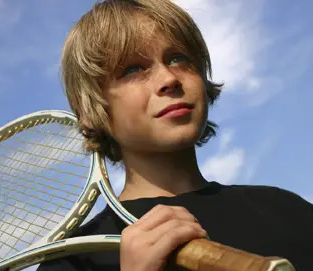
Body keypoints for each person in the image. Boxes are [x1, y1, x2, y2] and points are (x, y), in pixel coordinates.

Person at [38, 0, 313, 270]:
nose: (169, 78)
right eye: (133, 69)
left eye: (178, 58)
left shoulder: (287, 209)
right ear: (90, 109)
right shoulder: (74, 260)